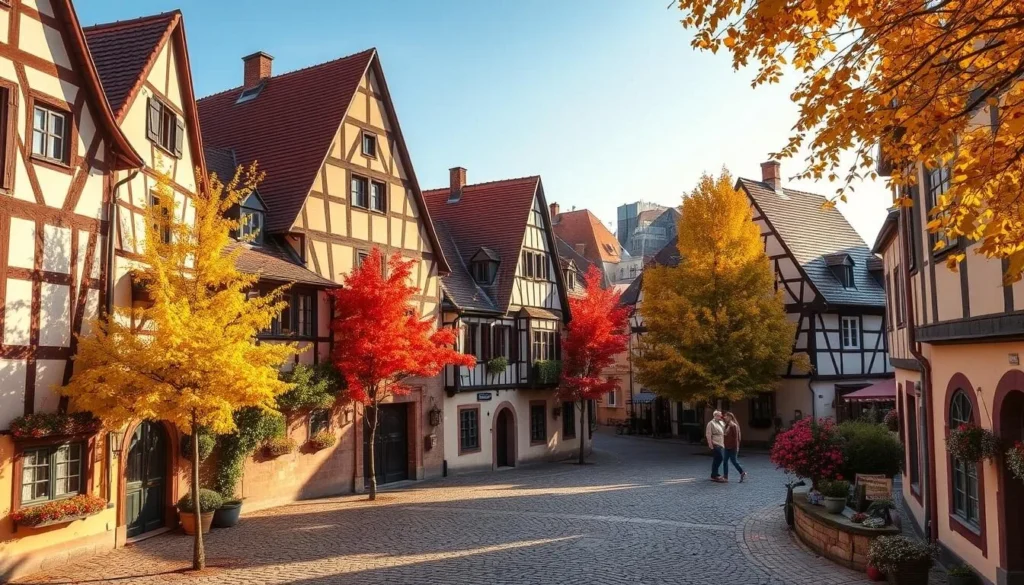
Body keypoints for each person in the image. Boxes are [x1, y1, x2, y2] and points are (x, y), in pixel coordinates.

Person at [723, 412, 747, 483]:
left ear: (730, 417)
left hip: (733, 447)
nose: (725, 418)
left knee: (734, 461)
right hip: (726, 447)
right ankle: (725, 477)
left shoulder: (734, 426)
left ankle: (742, 472)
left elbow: (736, 438)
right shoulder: (726, 425)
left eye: (726, 416)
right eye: (725, 416)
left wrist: (736, 447)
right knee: (725, 462)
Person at [705, 410, 726, 483]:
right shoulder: (711, 423)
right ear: (715, 415)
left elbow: (725, 431)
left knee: (717, 459)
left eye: (721, 415)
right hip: (715, 442)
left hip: (721, 443)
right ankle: (714, 474)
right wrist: (710, 444)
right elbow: (708, 434)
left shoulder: (721, 422)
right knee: (719, 457)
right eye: (719, 415)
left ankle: (714, 474)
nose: (721, 416)